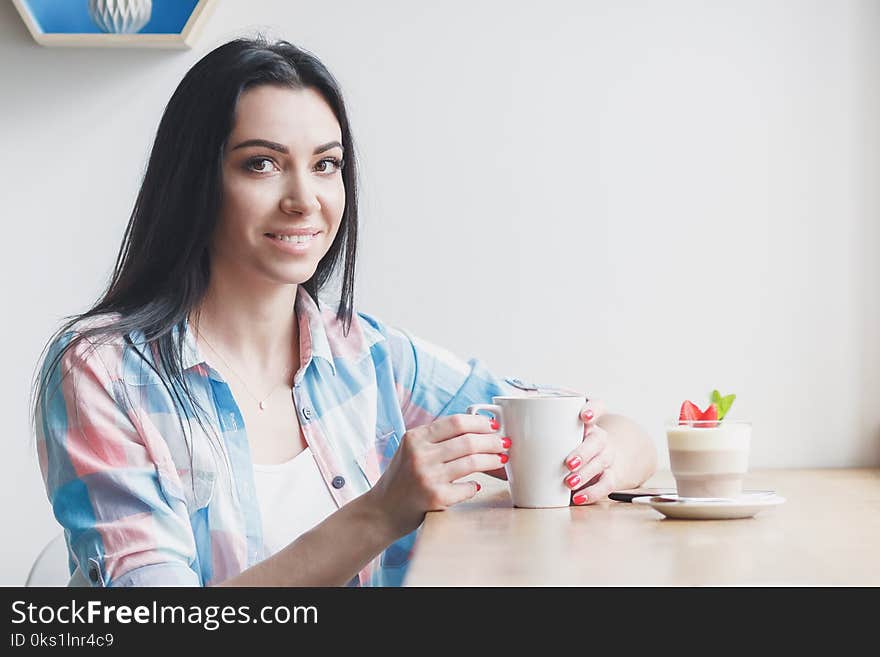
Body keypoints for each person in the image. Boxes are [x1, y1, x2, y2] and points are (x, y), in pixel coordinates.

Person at [31, 37, 657, 588]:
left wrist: (605, 456)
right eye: (262, 164)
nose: (304, 200)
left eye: (325, 165)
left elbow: (610, 428)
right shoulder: (102, 371)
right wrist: (383, 510)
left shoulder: (370, 356)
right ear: (196, 180)